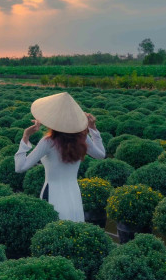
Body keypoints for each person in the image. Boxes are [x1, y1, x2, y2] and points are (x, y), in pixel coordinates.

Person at [14, 92, 105, 222]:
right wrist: (93, 129)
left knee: (53, 230)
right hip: (73, 193)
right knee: (73, 228)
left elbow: (20, 167)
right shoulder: (82, 138)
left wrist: (25, 137)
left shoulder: (48, 142)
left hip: (52, 193)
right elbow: (101, 155)